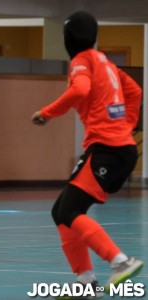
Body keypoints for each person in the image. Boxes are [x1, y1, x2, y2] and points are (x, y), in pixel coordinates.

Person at [31, 11, 143, 299]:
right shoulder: (105, 61)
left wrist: (47, 112)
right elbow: (135, 92)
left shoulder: (81, 61)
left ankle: (120, 261)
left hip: (107, 150)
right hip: (121, 149)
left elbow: (80, 90)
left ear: (68, 38)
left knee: (69, 211)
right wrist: (126, 125)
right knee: (61, 212)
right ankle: (85, 281)